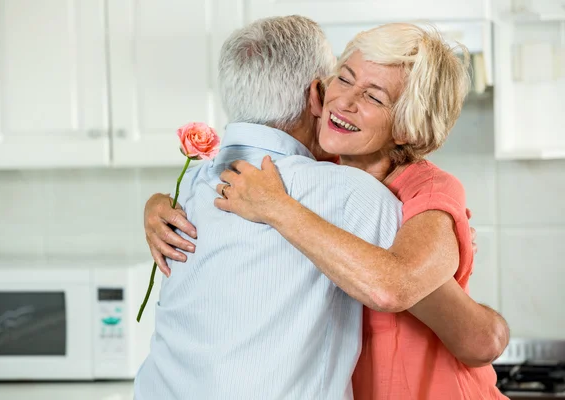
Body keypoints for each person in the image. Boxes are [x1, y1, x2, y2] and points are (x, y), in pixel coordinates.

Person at [145, 23, 510, 399]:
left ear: (407, 126)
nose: (343, 101)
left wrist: (277, 208)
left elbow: (480, 338)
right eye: (344, 79)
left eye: (373, 97)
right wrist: (159, 205)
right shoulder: (325, 175)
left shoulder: (421, 194)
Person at [134, 15, 403, 400]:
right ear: (316, 95)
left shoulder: (189, 187)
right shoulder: (350, 195)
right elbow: (416, 293)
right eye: (339, 82)